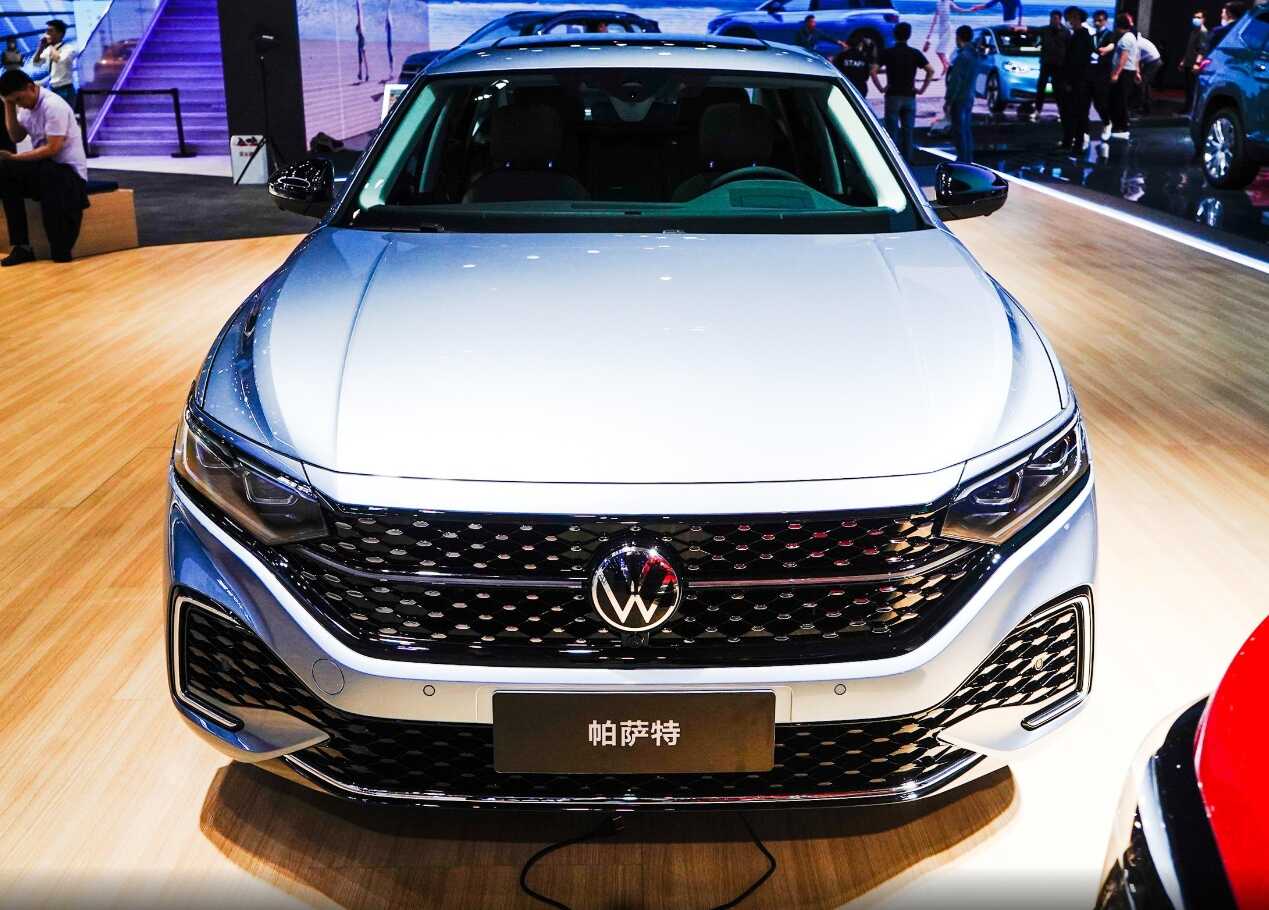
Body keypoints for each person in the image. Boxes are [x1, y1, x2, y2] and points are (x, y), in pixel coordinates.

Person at [0, 69, 89, 266]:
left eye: (19, 99)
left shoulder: (53, 105)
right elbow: (15, 136)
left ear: (31, 87)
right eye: (14, 101)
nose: (19, 104)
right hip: (46, 171)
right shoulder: (25, 109)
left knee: (46, 171)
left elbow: (52, 149)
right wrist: (8, 105)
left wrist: (16, 158)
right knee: (5, 172)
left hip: (69, 175)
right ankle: (21, 246)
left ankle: (60, 247)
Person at [871, 21, 934, 162]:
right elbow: (930, 70)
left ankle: (893, 162)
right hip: (910, 96)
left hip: (892, 96)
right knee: (908, 132)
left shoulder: (887, 52)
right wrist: (922, 89)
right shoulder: (915, 53)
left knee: (891, 132)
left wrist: (881, 88)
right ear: (909, 35)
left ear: (895, 35)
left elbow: (873, 71)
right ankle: (907, 163)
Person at [1057, 5, 1093, 151]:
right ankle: (1073, 141)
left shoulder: (1081, 36)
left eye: (1070, 18)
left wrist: (1069, 81)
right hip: (1078, 80)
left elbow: (1077, 61)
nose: (1068, 21)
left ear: (1077, 18)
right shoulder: (1078, 35)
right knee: (1075, 112)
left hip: (1077, 81)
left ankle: (1074, 142)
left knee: (1074, 112)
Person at [945, 25, 977, 161]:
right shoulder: (974, 54)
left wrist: (948, 100)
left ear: (958, 37)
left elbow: (955, 81)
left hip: (959, 98)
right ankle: (968, 159)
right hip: (969, 96)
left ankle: (963, 159)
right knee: (966, 130)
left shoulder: (962, 57)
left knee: (959, 131)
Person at [1106, 12, 1137, 139]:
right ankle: (1119, 126)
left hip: (1125, 73)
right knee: (1119, 99)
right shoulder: (1129, 36)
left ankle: (1122, 128)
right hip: (1126, 72)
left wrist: (1116, 74)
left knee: (1120, 100)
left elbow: (1123, 58)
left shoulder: (1126, 38)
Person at [32, 19, 76, 108]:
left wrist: (50, 45)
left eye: (50, 31)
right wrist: (40, 48)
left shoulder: (69, 49)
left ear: (60, 34)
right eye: (46, 31)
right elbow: (36, 63)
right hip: (52, 89)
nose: (47, 34)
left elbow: (59, 60)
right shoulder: (49, 49)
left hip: (65, 89)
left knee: (65, 115)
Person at [923, 0, 971, 77]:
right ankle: (950, 68)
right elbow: (935, 19)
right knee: (942, 51)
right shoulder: (938, 2)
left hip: (947, 29)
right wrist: (929, 34)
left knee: (938, 50)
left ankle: (946, 67)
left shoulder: (949, 2)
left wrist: (971, 10)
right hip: (941, 30)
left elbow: (959, 9)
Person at [1036, 10, 1069, 121]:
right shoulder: (1045, 30)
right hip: (1046, 63)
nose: (1053, 20)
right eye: (1051, 18)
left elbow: (1069, 48)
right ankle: (1037, 110)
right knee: (1041, 87)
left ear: (1060, 19)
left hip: (1059, 65)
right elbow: (1033, 30)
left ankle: (1061, 111)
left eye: (1055, 18)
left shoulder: (1066, 32)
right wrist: (1022, 28)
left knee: (1059, 89)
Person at [1089, 8, 1115, 140]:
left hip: (1103, 73)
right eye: (1095, 20)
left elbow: (1112, 45)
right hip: (1091, 72)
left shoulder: (1110, 35)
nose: (1097, 23)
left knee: (1100, 102)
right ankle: (1084, 131)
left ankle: (1107, 123)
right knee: (1089, 101)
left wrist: (1106, 49)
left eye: (1099, 20)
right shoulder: (1092, 36)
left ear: (1105, 21)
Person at [1180, 11, 1209, 115]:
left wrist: (1197, 63)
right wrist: (1184, 61)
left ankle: (1191, 111)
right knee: (1188, 88)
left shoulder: (1203, 32)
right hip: (1188, 63)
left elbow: (1202, 50)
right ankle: (1187, 108)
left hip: (1194, 65)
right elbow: (1190, 48)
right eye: (1195, 17)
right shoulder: (1194, 31)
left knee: (1192, 88)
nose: (1196, 19)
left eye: (1199, 17)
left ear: (1203, 19)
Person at [833, 32, 875, 96]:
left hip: (844, 87)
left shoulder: (841, 56)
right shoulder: (863, 57)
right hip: (860, 88)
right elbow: (866, 75)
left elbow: (835, 71)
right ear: (859, 45)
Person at [1135, 34, 1161, 114]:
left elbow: (1137, 60)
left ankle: (1142, 107)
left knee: (1142, 84)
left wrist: (1137, 73)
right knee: (1146, 84)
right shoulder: (1141, 40)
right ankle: (1146, 106)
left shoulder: (1137, 43)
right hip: (1153, 62)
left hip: (1153, 63)